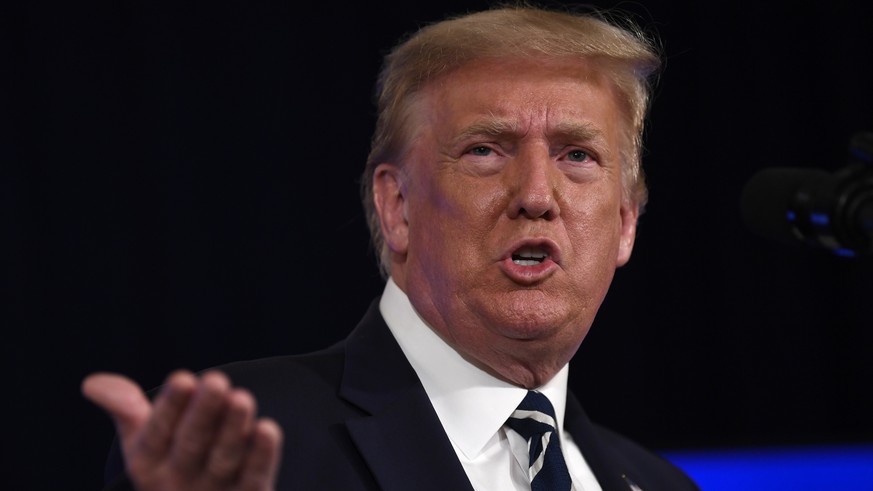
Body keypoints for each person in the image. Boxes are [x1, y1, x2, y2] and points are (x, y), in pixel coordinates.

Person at [83, 4, 700, 491]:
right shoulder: (242, 444)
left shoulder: (656, 481)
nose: (537, 194)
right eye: (485, 151)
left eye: (577, 156)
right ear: (396, 206)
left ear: (625, 223)